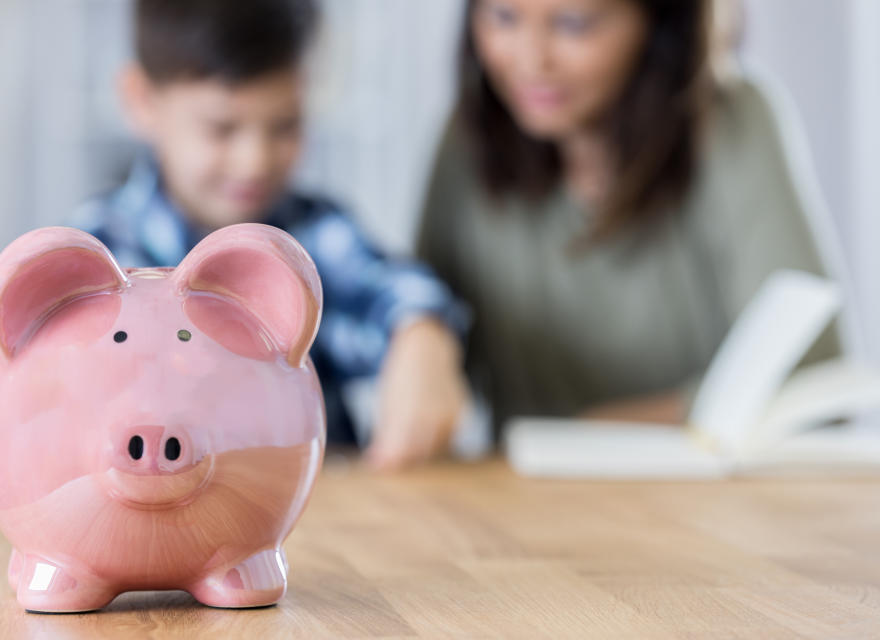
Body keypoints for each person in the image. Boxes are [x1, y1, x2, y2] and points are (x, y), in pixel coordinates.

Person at [415, 0, 841, 441]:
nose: (530, 60)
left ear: (659, 25)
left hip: (702, 498)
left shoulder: (732, 121)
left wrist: (592, 437)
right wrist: (417, 335)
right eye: (503, 18)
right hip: (517, 496)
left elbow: (815, 383)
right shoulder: (469, 139)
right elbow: (428, 326)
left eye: (573, 24)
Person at [70, 0, 471, 469]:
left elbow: (393, 291)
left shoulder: (313, 237)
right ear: (141, 101)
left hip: (313, 527)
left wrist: (423, 336)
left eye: (285, 126)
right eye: (222, 129)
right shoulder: (97, 252)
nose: (255, 161)